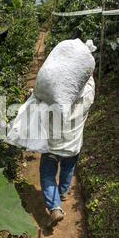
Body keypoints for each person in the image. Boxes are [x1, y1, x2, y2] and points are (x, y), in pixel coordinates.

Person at [35, 74, 95, 227]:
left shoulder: (56, 97)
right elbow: (89, 77)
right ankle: (62, 192)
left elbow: (41, 98)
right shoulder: (89, 94)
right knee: (68, 168)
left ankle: (55, 207)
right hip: (73, 145)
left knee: (48, 174)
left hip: (53, 147)